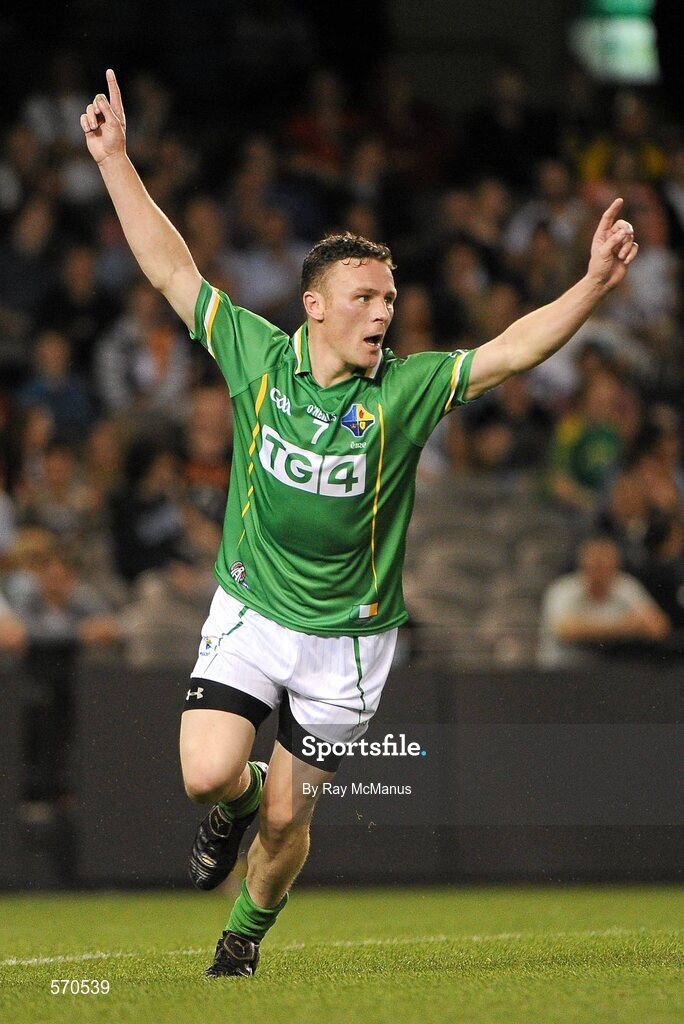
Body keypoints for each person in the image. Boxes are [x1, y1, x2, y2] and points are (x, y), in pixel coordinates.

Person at [80, 69, 639, 978]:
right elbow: (172, 268)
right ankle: (238, 802)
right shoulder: (257, 359)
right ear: (314, 308)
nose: (384, 312)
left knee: (291, 820)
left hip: (349, 641)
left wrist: (591, 286)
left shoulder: (407, 391)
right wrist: (114, 160)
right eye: (364, 299)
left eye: (388, 299)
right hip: (253, 610)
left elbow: (511, 350)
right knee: (207, 777)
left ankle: (241, 942)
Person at [537, 535, 670, 668]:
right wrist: (625, 627)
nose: (598, 567)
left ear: (616, 564)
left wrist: (592, 629)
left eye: (604, 562)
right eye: (594, 562)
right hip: (563, 672)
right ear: (582, 564)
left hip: (613, 672)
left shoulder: (626, 586)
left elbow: (658, 628)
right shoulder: (563, 589)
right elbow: (565, 629)